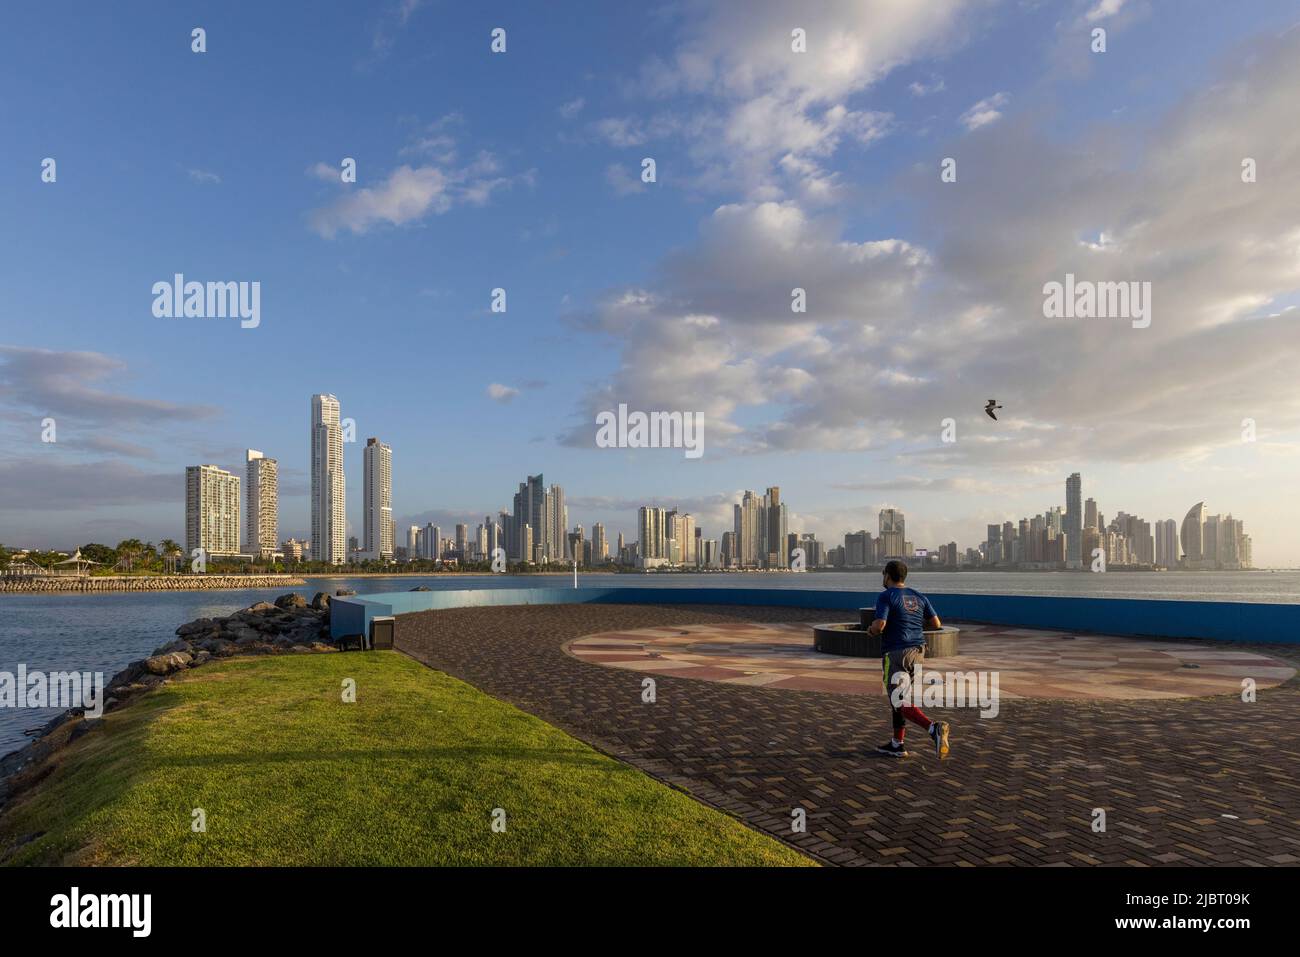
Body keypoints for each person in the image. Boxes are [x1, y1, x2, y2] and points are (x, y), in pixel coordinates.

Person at [867, 560, 950, 759]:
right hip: (918, 652)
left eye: (883, 574)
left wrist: (871, 630)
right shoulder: (919, 596)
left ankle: (933, 728)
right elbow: (936, 623)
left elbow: (880, 625)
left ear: (887, 575)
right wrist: (913, 629)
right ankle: (897, 744)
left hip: (896, 652)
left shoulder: (886, 596)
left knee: (897, 698)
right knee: (900, 699)